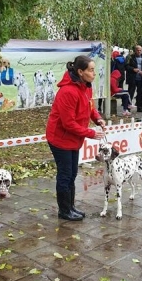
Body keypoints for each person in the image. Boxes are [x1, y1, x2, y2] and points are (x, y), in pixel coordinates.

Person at [46, 55, 106, 221]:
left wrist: (97, 118)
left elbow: (90, 106)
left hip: (73, 139)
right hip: (60, 138)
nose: (94, 74)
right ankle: (64, 210)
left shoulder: (86, 87)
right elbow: (68, 123)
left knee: (72, 173)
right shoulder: (68, 91)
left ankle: (70, 207)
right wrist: (91, 133)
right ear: (80, 72)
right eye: (91, 70)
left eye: (94, 70)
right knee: (65, 174)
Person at [125, 45, 142, 112]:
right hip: (133, 78)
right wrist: (133, 69)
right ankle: (128, 107)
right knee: (130, 93)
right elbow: (126, 66)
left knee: (139, 94)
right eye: (137, 50)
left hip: (141, 78)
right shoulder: (131, 57)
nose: (139, 51)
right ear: (135, 50)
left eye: (140, 50)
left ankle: (139, 107)